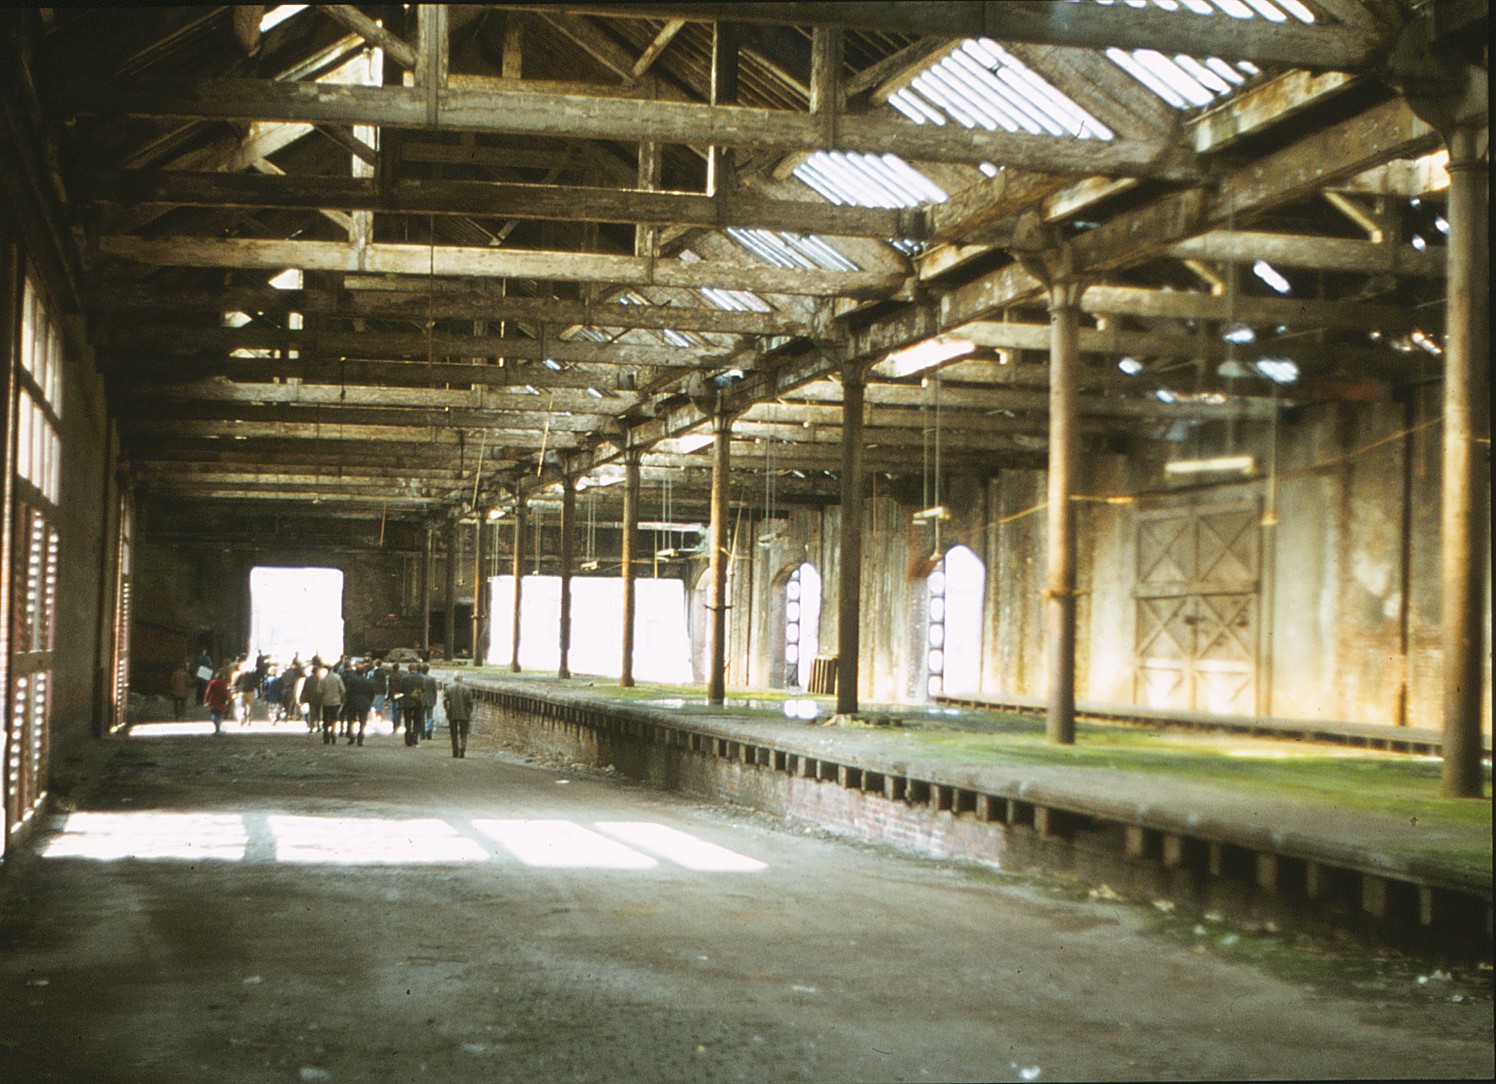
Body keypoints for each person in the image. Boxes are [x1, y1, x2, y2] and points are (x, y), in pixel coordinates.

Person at [442, 673, 475, 759]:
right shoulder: (467, 689)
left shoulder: (449, 688)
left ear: (454, 679)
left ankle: (455, 751)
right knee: (463, 733)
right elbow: (470, 702)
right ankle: (462, 748)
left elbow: (445, 701)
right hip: (464, 713)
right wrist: (469, 711)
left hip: (452, 713)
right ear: (461, 679)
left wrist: (447, 710)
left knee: (454, 733)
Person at [342, 663, 373, 746]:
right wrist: (369, 702)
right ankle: (360, 737)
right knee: (363, 721)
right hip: (364, 703)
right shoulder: (368, 681)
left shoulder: (351, 680)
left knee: (351, 720)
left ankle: (351, 736)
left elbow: (348, 692)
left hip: (352, 702)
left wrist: (346, 700)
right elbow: (371, 693)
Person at [316, 664, 345, 745]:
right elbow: (342, 689)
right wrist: (342, 698)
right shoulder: (337, 677)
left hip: (326, 701)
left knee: (325, 717)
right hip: (336, 701)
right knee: (334, 718)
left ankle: (326, 733)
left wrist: (320, 699)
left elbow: (319, 691)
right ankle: (333, 731)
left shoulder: (323, 679)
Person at [399, 664, 426, 746]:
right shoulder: (420, 678)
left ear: (409, 669)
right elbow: (424, 689)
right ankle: (414, 739)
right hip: (417, 701)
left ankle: (407, 740)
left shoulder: (404, 678)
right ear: (416, 669)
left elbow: (401, 690)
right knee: (417, 721)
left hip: (407, 702)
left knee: (407, 721)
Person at [204, 667, 232, 735]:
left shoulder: (212, 682)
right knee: (220, 714)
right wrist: (228, 699)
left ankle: (216, 727)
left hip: (213, 700)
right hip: (221, 701)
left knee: (214, 714)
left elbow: (208, 692)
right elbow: (226, 692)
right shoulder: (224, 683)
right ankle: (218, 726)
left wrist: (206, 700)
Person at [300, 659, 323, 735]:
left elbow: (304, 689)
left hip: (310, 698)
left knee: (311, 713)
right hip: (318, 697)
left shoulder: (308, 679)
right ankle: (319, 726)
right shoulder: (320, 679)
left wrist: (302, 698)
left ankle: (311, 727)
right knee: (318, 712)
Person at [420, 664, 438, 740]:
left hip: (421, 699)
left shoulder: (420, 679)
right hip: (430, 699)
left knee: (421, 717)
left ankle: (422, 733)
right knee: (430, 717)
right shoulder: (432, 679)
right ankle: (429, 731)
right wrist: (435, 699)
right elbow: (435, 691)